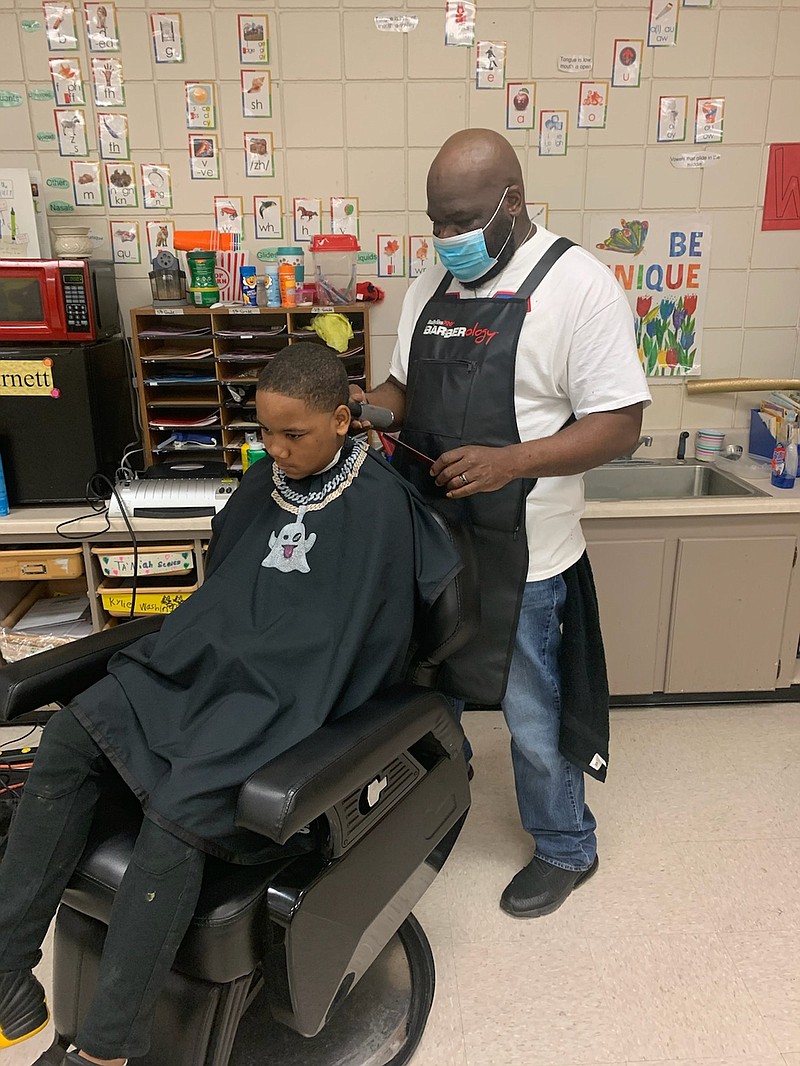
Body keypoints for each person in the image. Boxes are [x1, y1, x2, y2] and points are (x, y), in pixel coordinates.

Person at [0, 343, 461, 1066]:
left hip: (293, 699)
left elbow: (363, 645)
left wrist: (277, 680)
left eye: (294, 435)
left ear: (343, 420)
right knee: (71, 737)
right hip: (204, 670)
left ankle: (105, 1050)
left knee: (178, 808)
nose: (276, 450)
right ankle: (4, 968)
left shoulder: (379, 508)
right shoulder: (263, 483)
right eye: (265, 434)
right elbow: (221, 598)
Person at [351, 128, 651, 920]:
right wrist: (366, 411)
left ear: (512, 200)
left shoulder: (579, 286)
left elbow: (620, 425)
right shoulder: (431, 286)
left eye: (461, 220)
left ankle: (564, 845)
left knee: (530, 713)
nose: (447, 239)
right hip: (432, 543)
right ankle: (434, 815)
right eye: (435, 223)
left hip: (527, 554)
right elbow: (403, 392)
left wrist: (509, 462)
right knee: (428, 697)